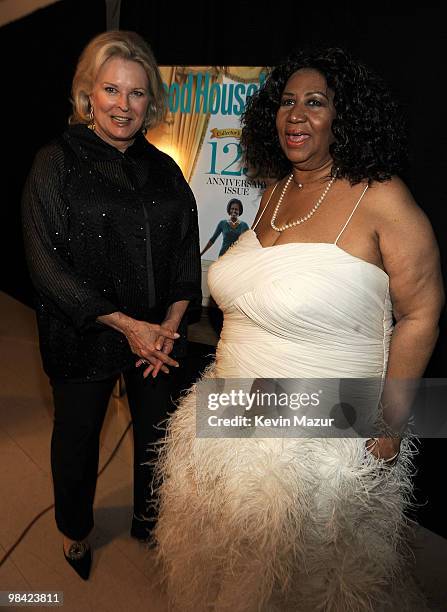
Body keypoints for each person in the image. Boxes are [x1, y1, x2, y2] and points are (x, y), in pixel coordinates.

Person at [152, 46, 444, 610]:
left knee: (307, 587)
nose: (296, 115)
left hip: (326, 435)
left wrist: (389, 422)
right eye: (287, 102)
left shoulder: (382, 197)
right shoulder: (276, 192)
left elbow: (422, 313)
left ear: (346, 116)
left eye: (315, 102)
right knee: (227, 568)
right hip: (231, 413)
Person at [21, 30, 201, 581]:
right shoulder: (56, 162)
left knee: (157, 435)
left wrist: (169, 324)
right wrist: (127, 325)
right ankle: (76, 531)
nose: (123, 106)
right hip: (87, 333)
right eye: (110, 90)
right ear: (88, 95)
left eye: (137, 94)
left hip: (155, 337)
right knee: (76, 442)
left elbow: (184, 247)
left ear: (152, 102)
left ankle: (150, 523)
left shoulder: (164, 168)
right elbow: (45, 264)